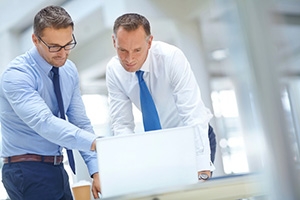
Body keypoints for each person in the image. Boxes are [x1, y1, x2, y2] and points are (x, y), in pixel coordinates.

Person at [0, 6, 101, 200]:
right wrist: (95, 143)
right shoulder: (17, 75)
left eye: (68, 44)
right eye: (54, 46)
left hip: (55, 166)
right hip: (25, 169)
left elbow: (80, 122)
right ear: (35, 40)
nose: (62, 53)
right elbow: (44, 123)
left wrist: (95, 169)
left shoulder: (69, 70)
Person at [106, 13, 216, 180]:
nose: (129, 59)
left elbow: (192, 115)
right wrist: (127, 167)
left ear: (149, 42)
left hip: (192, 138)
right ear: (114, 42)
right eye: (123, 50)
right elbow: (122, 125)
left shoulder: (171, 58)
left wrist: (202, 167)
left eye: (137, 50)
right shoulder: (114, 70)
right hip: (158, 146)